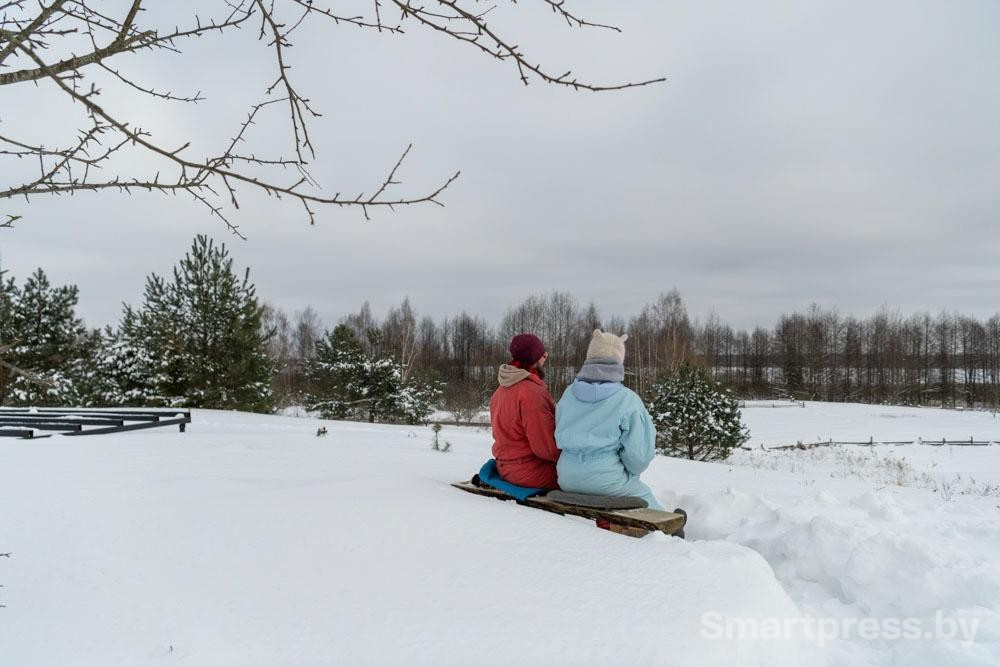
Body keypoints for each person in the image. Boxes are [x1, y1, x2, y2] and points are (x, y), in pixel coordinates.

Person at [554, 329, 664, 510]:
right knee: (647, 501)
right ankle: (673, 527)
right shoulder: (627, 399)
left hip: (566, 477)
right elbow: (638, 457)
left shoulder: (568, 394)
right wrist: (629, 472)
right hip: (607, 480)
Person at [489, 333, 560, 489]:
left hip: (505, 467)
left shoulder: (500, 390)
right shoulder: (532, 393)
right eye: (544, 355)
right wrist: (569, 457)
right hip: (530, 471)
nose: (545, 359)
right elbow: (546, 448)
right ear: (535, 358)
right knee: (585, 478)